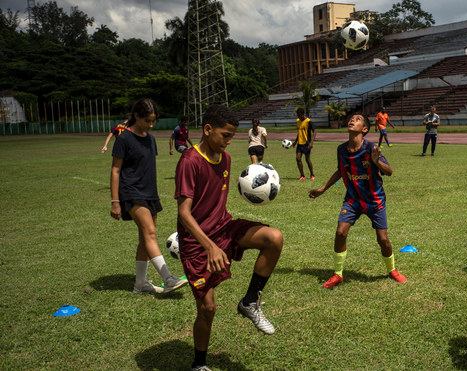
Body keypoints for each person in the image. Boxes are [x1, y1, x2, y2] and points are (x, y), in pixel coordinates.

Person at [174, 104, 284, 371]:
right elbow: (184, 213)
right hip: (196, 243)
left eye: (232, 136)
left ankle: (249, 302)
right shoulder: (189, 160)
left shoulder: (226, 159)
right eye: (225, 135)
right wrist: (210, 246)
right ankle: (199, 365)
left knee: (274, 238)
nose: (228, 141)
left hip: (224, 228)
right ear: (208, 129)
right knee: (207, 308)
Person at [309, 112, 406, 288]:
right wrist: (323, 189)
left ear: (365, 129)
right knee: (340, 233)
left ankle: (392, 270)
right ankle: (338, 274)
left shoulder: (371, 148)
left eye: (358, 119)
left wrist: (377, 162)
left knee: (383, 240)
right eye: (352, 119)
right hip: (353, 199)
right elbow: (340, 170)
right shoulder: (341, 149)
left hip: (374, 200)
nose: (353, 120)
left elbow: (389, 171)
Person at [110, 98, 187, 294]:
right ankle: (168, 278)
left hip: (150, 193)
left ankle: (140, 284)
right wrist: (115, 202)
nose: (151, 125)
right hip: (131, 192)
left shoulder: (151, 139)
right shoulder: (124, 139)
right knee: (150, 233)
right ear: (136, 116)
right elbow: (115, 170)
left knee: (145, 238)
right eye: (147, 121)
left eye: (153, 121)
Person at [293, 107, 316, 180]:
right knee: (298, 158)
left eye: (299, 115)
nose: (298, 117)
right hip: (299, 143)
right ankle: (302, 176)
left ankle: (312, 175)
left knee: (307, 159)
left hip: (307, 143)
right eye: (297, 115)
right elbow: (299, 132)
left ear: (303, 114)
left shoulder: (308, 121)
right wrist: (295, 142)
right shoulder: (298, 121)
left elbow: (315, 131)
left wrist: (311, 143)